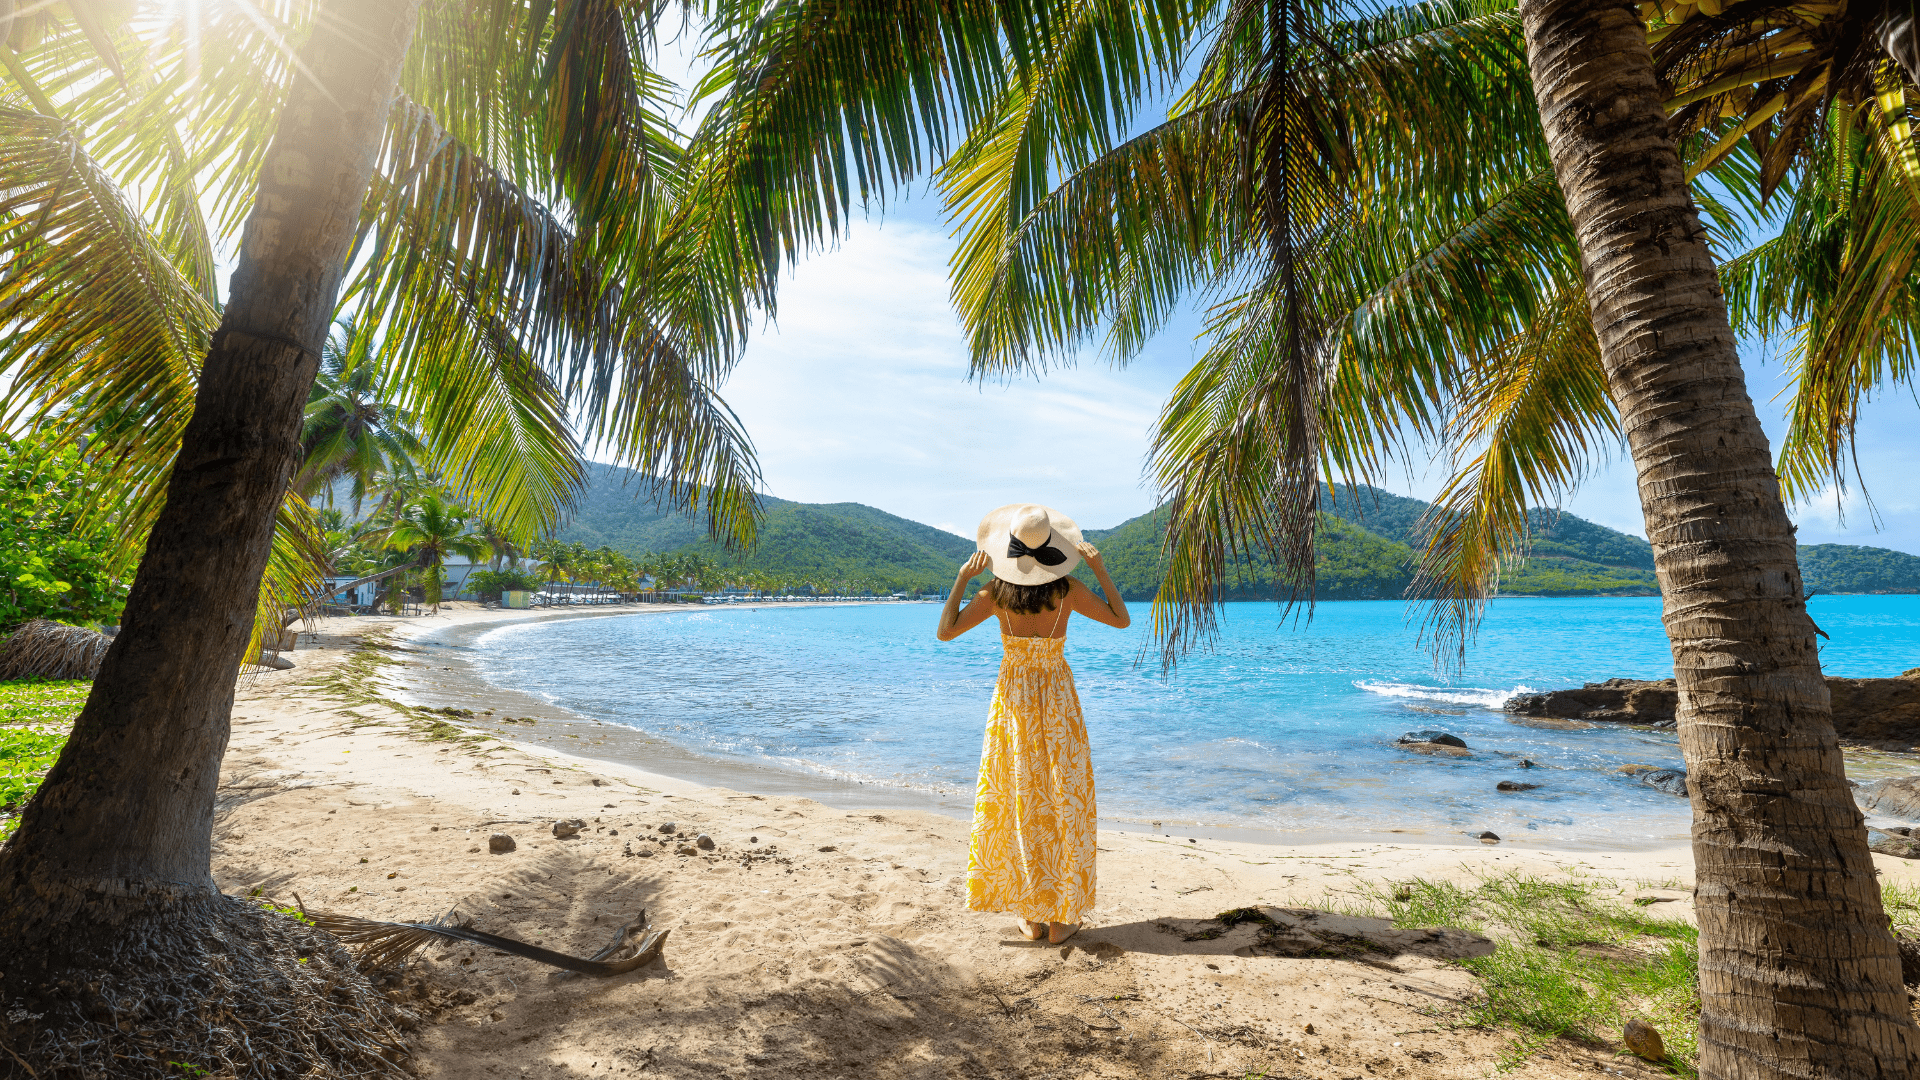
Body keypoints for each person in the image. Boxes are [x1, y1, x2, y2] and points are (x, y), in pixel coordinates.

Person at [935, 503, 1130, 944]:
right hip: (1058, 705)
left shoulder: (994, 596)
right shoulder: (1069, 591)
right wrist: (1099, 569)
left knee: (1021, 800)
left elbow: (945, 632)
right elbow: (1121, 620)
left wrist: (963, 578)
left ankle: (1031, 911)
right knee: (1063, 803)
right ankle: (1062, 916)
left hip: (1014, 707)